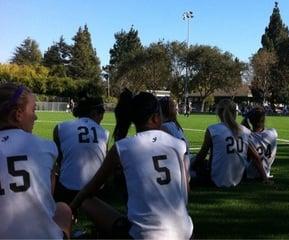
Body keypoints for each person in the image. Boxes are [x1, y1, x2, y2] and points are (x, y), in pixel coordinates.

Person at [70, 91, 193, 239]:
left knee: (87, 202)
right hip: (185, 231)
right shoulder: (179, 145)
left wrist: (70, 209)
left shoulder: (123, 148)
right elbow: (187, 190)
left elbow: (90, 188)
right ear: (155, 117)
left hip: (144, 236)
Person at [0, 83, 72, 239]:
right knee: (62, 208)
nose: (36, 116)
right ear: (18, 114)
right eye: (33, 110)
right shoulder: (47, 147)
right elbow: (47, 198)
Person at [191, 99, 269, 187]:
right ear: (235, 113)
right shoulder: (245, 131)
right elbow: (256, 157)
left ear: (219, 113)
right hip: (238, 178)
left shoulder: (213, 130)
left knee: (192, 162)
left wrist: (192, 165)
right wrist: (265, 178)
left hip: (216, 179)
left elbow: (202, 155)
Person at [53, 96, 109, 204]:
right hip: (96, 190)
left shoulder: (60, 128)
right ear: (94, 113)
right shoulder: (104, 133)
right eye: (101, 114)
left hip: (67, 187)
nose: (102, 118)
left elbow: (59, 160)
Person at [242, 106, 278, 180]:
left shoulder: (248, 137)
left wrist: (244, 124)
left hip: (249, 174)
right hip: (267, 171)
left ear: (250, 121)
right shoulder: (273, 133)